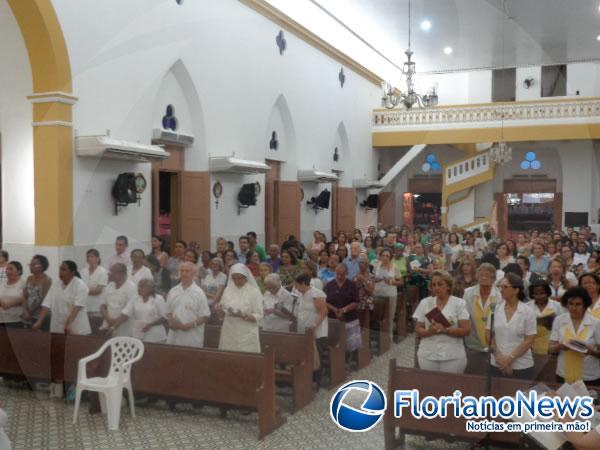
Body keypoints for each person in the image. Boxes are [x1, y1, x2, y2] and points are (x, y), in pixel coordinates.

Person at [413, 270, 471, 373]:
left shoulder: (459, 303)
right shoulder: (425, 303)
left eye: (440, 284)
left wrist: (446, 329)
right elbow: (418, 329)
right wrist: (429, 332)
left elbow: (466, 330)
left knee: (450, 387)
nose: (436, 287)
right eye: (433, 285)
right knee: (429, 386)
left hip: (452, 356)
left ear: (448, 286)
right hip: (428, 354)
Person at [487, 273, 537, 379]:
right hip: (497, 362)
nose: (501, 290)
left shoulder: (528, 312)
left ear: (516, 290)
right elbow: (488, 334)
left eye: (505, 287)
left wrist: (509, 359)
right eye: (500, 286)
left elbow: (529, 340)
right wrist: (499, 356)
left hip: (521, 365)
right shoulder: (495, 309)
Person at [549, 287, 600, 385]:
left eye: (578, 304)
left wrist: (590, 351)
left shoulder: (596, 323)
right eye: (570, 304)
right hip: (563, 374)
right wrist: (561, 346)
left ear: (585, 305)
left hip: (589, 376)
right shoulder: (559, 320)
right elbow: (551, 348)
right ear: (566, 304)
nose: (573, 308)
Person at [33, 261, 91, 335]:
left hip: (76, 327)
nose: (60, 272)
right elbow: (46, 304)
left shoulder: (80, 285)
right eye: (60, 269)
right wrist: (39, 321)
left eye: (63, 270)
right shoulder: (56, 285)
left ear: (72, 272)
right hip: (57, 327)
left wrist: (68, 324)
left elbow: (77, 306)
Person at [217, 263, 263, 352]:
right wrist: (219, 310)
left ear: (245, 277)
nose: (237, 281)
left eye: (239, 278)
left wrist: (243, 315)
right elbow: (222, 309)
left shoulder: (254, 291)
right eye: (234, 278)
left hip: (246, 331)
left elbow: (259, 314)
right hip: (229, 330)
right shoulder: (228, 289)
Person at [294, 273, 328, 386]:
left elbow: (323, 312)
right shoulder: (301, 294)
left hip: (316, 331)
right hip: (303, 330)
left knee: (316, 355)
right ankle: (307, 378)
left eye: (297, 285)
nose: (296, 287)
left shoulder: (316, 294)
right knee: (306, 355)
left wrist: (314, 325)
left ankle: (317, 381)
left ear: (304, 283)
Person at [165, 262, 210, 347]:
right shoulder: (173, 291)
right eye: (182, 271)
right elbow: (168, 312)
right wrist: (171, 322)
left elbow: (205, 316)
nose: (184, 274)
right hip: (174, 335)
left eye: (187, 271)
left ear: (194, 273)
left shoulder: (199, 293)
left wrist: (187, 326)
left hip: (192, 336)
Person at [112, 279, 167, 343]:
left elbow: (165, 317)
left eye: (141, 287)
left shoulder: (158, 299)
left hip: (156, 336)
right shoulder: (135, 298)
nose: (139, 289)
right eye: (139, 286)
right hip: (139, 334)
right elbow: (125, 314)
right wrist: (113, 326)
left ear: (149, 289)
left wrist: (150, 324)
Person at [463, 263, 501, 354]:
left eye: (487, 275)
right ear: (477, 277)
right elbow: (465, 316)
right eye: (481, 275)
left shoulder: (500, 296)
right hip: (472, 343)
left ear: (494, 279)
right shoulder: (468, 293)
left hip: (494, 344)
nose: (483, 278)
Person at [324, 265, 361, 359]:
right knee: (333, 341)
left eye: (342, 274)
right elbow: (324, 300)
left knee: (349, 342)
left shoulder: (351, 285)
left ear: (347, 274)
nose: (340, 277)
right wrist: (334, 309)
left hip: (349, 317)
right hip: (332, 317)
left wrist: (343, 310)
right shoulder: (329, 285)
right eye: (338, 274)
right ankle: (334, 360)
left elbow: (356, 302)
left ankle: (349, 360)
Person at [99, 263, 137, 336]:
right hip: (108, 326)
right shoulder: (109, 286)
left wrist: (114, 325)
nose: (109, 274)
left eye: (112, 272)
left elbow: (129, 311)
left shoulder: (132, 288)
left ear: (120, 273)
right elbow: (103, 306)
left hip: (124, 328)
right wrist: (109, 320)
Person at [527, 280, 563, 355]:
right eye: (536, 294)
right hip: (532, 346)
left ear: (547, 293)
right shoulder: (527, 307)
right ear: (532, 294)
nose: (539, 296)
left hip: (552, 346)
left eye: (542, 293)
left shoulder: (557, 306)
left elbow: (563, 325)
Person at [373, 248, 402, 336]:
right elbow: (372, 278)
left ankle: (389, 334)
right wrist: (376, 279)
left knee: (390, 315)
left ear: (390, 257)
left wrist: (392, 282)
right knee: (378, 316)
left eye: (387, 256)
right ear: (380, 256)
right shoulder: (376, 265)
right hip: (377, 293)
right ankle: (379, 334)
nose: (385, 257)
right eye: (383, 255)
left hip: (390, 294)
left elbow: (401, 282)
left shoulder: (395, 267)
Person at [21, 255, 52, 328]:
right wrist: (25, 310)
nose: (30, 266)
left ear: (41, 267)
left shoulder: (46, 280)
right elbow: (24, 296)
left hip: (41, 317)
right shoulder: (29, 278)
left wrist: (30, 312)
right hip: (28, 315)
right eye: (30, 264)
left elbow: (44, 300)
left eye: (33, 264)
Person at [0, 262, 26, 328]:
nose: (7, 271)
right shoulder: (2, 283)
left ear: (18, 271)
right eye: (7, 269)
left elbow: (6, 305)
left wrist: (6, 303)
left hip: (15, 322)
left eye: (11, 269)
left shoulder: (23, 284)